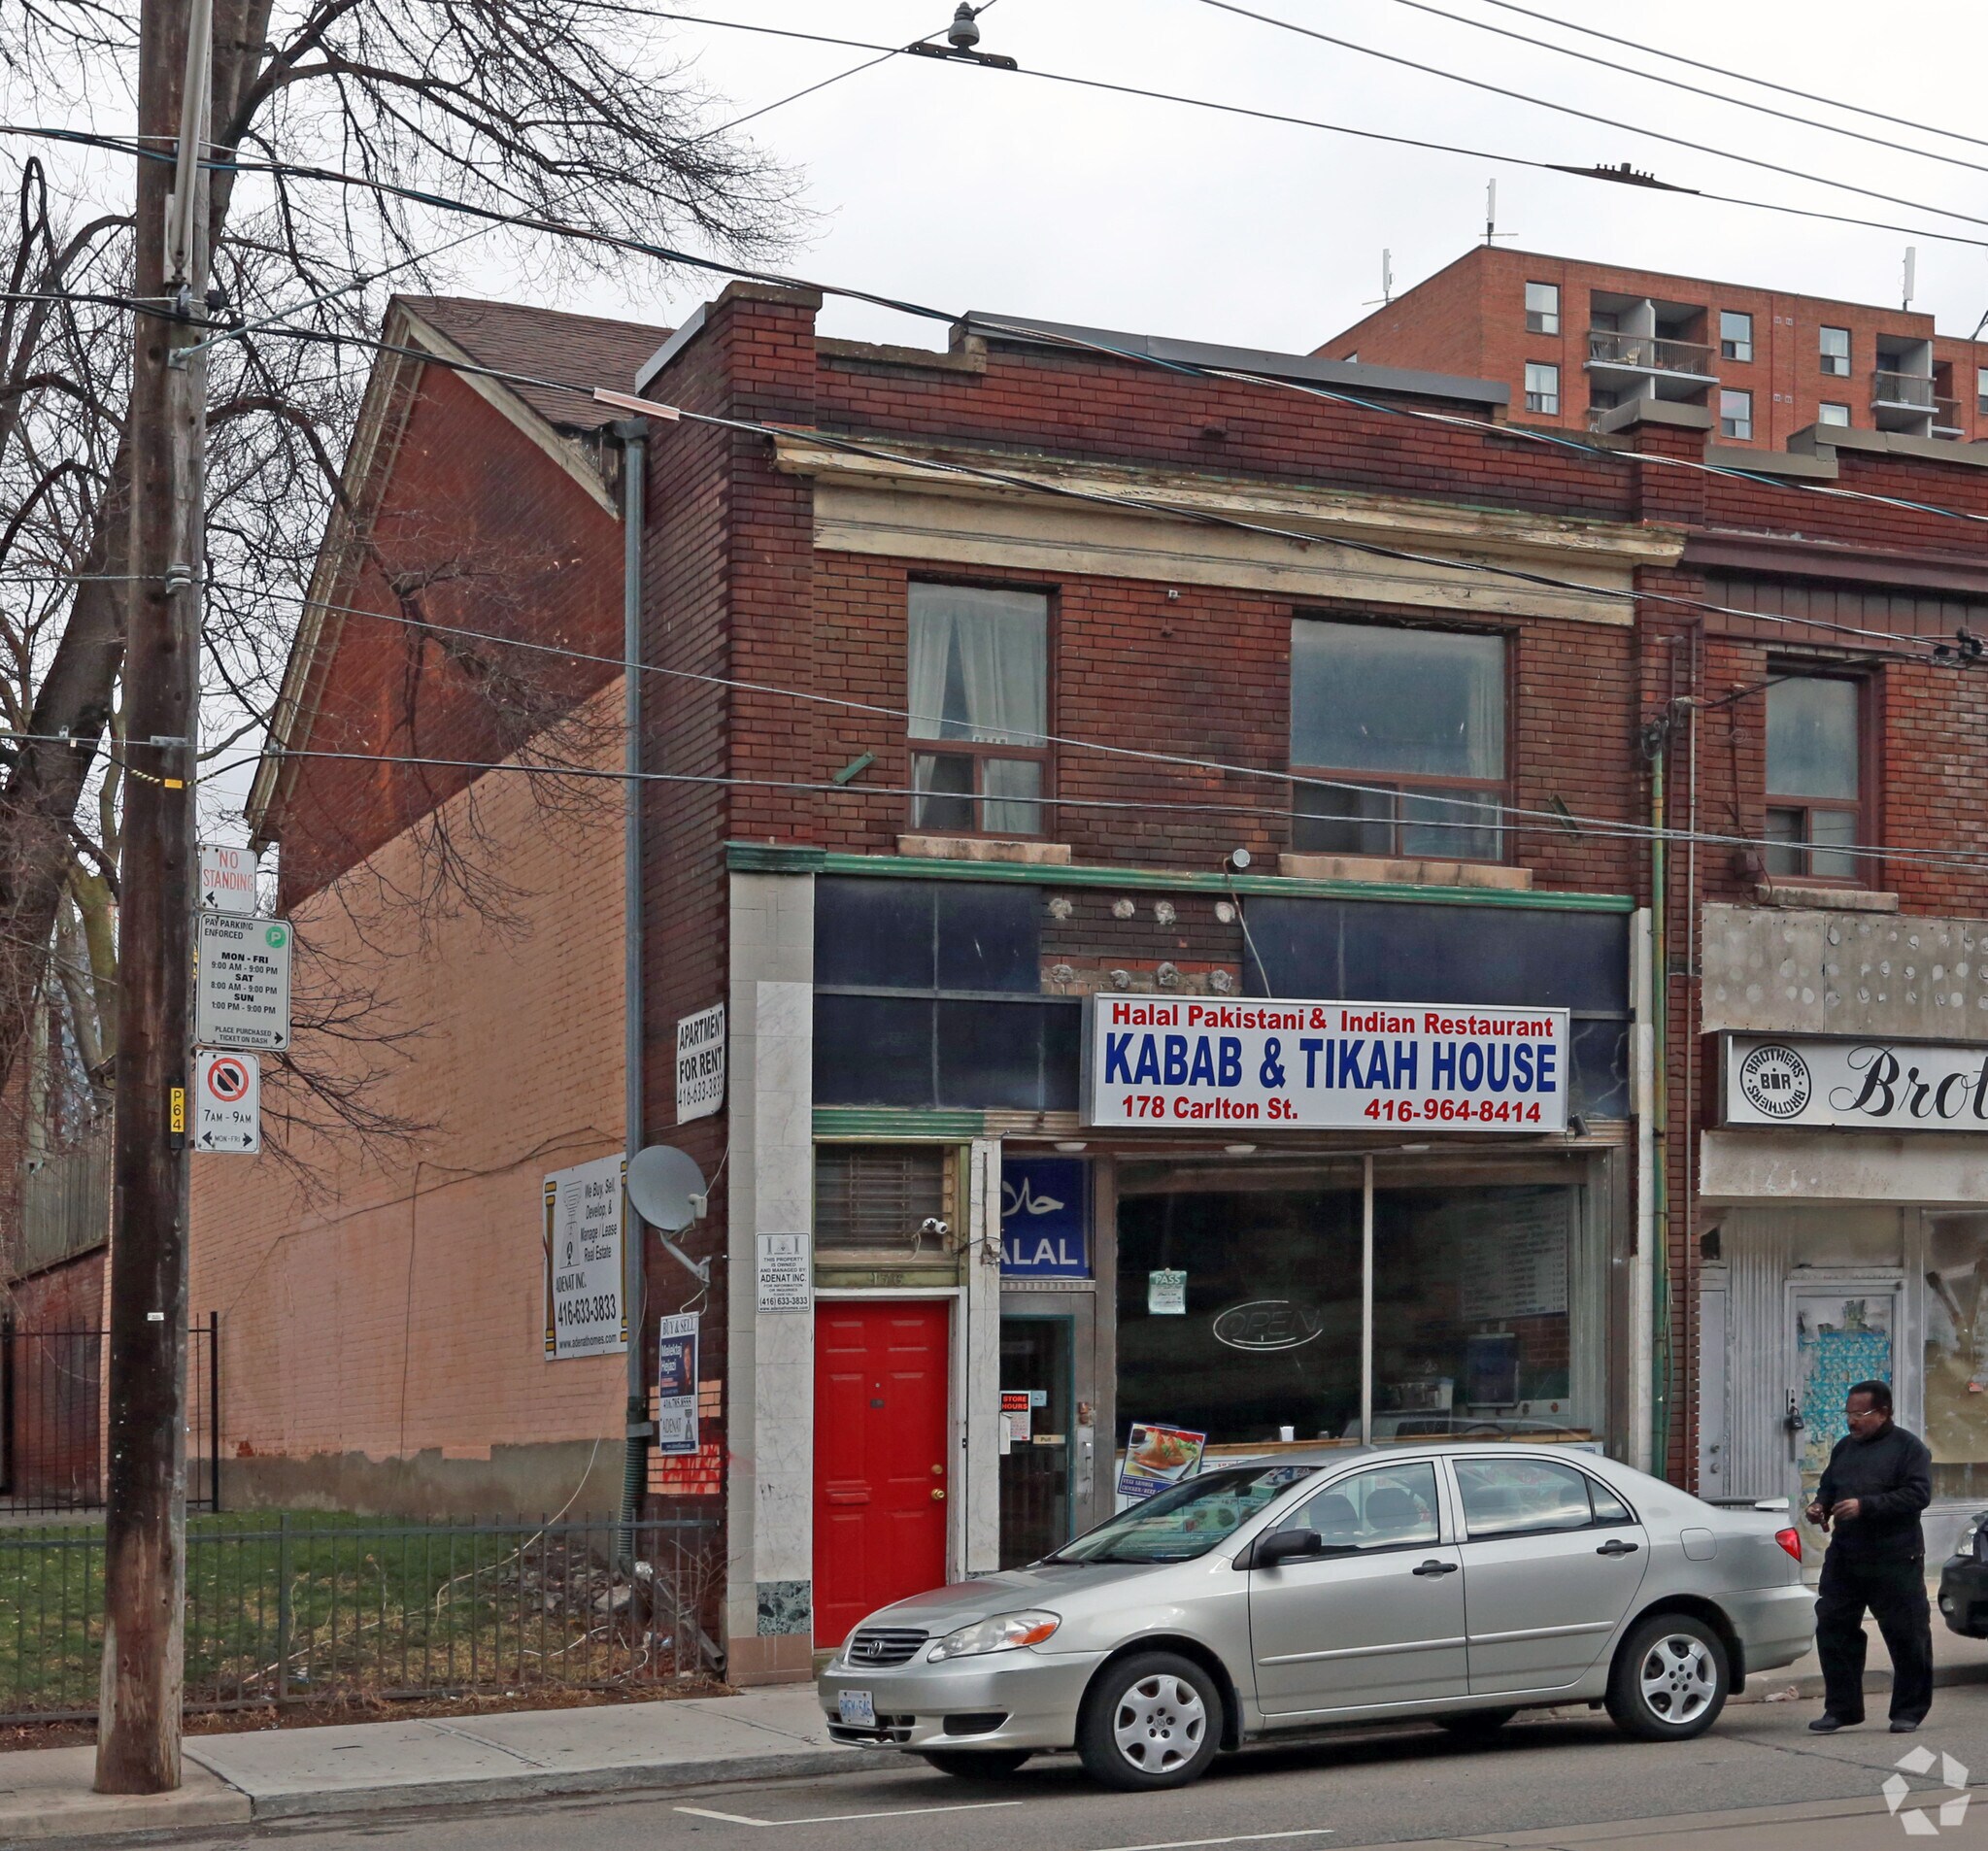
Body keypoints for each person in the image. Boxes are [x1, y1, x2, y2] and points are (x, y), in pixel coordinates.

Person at [1806, 1379, 1934, 1734]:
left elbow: (1918, 1495)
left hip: (1895, 1556)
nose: (1852, 1421)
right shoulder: (1845, 1448)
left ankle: (1908, 1710)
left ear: (1883, 1413)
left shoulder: (1909, 1449)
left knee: (1906, 1634)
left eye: (1860, 1414)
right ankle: (1842, 1708)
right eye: (1848, 1413)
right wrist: (1820, 1507)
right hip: (1847, 1556)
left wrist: (1867, 1506)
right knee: (1833, 1627)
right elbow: (1829, 1487)